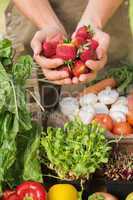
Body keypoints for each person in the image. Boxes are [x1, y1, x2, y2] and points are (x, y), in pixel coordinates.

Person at [13, 0, 123, 85]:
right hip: (33, 12)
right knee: (33, 100)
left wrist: (94, 21)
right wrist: (47, 24)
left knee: (112, 95)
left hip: (105, 9)